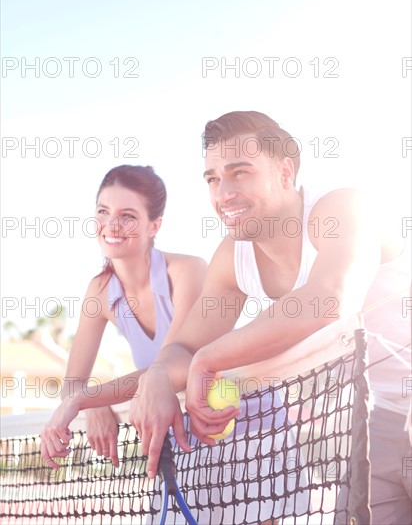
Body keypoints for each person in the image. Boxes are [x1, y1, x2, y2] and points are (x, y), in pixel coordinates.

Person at [130, 111, 411, 524]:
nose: (223, 192)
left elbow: (329, 298)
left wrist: (207, 361)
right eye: (212, 179)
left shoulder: (344, 207)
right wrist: (156, 375)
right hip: (365, 428)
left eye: (240, 172)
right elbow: (184, 347)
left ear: (284, 171)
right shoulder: (233, 257)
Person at [41, 164, 207, 469]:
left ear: (154, 226)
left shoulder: (189, 271)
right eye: (103, 212)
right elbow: (72, 384)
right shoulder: (100, 290)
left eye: (127, 216)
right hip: (175, 444)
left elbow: (173, 368)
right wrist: (94, 406)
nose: (112, 225)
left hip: (238, 421)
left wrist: (87, 398)